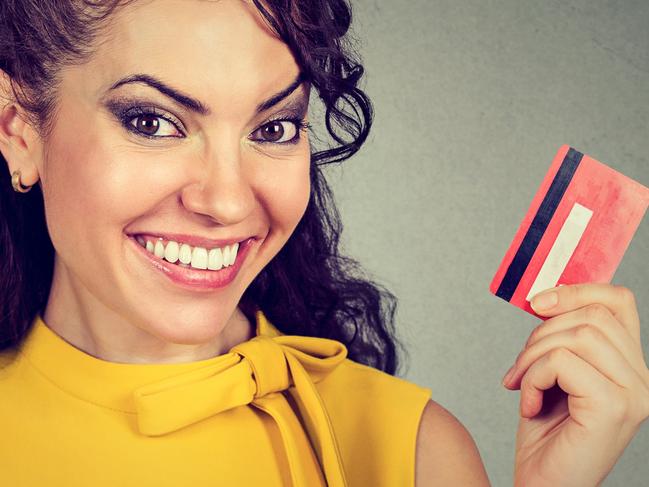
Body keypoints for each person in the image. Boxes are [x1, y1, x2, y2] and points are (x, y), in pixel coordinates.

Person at [0, 1, 646, 486]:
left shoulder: (412, 450)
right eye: (152, 121)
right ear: (17, 127)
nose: (227, 201)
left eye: (274, 127)